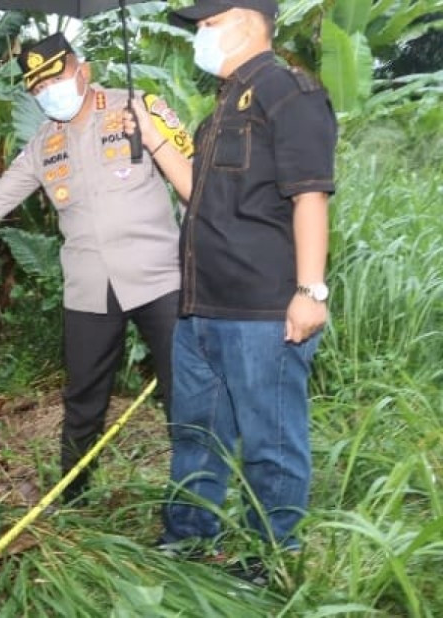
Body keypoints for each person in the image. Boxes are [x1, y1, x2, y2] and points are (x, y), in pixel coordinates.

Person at [0, 33, 193, 506]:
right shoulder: (43, 146)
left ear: (83, 71)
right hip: (90, 289)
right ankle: (73, 497)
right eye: (37, 86)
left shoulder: (140, 107)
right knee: (83, 398)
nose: (48, 92)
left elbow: (197, 180)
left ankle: (193, 505)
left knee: (184, 394)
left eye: (57, 78)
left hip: (161, 279)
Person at [123, 0, 338, 575]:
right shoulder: (219, 108)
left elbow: (310, 194)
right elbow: (202, 194)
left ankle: (269, 557)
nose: (200, 35)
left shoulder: (288, 94)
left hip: (262, 308)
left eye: (207, 24)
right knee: (196, 434)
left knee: (271, 442)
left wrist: (310, 292)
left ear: (245, 22)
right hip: (201, 306)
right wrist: (156, 138)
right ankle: (189, 537)